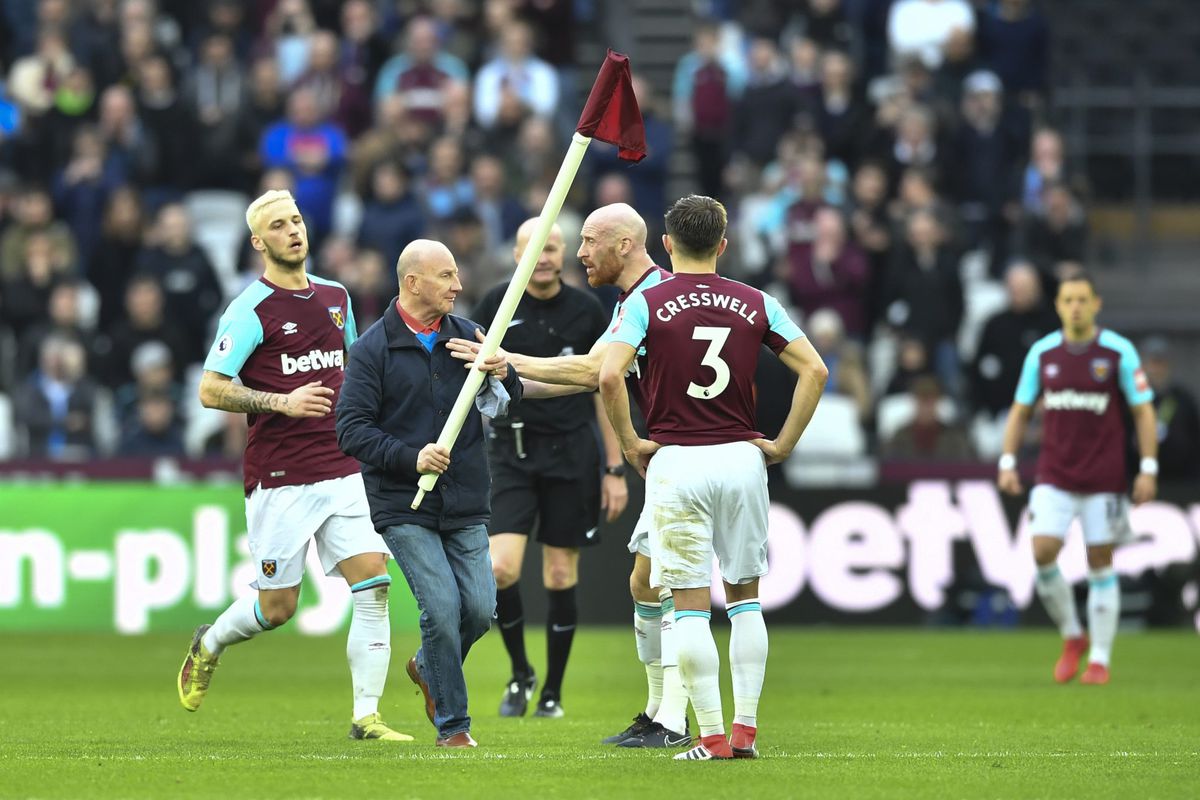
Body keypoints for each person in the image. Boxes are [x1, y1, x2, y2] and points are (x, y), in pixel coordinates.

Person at [446, 203, 688, 749]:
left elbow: (596, 376)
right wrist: (510, 373)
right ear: (517, 257)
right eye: (557, 245)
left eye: (578, 243)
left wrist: (617, 457)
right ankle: (659, 712)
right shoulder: (629, 297)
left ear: (623, 244)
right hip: (514, 452)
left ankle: (697, 722)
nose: (573, 254)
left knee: (678, 589)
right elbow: (591, 376)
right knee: (641, 583)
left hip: (608, 456)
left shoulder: (621, 302)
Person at [176, 189, 411, 744]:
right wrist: (279, 401)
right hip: (280, 477)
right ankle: (209, 643)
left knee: (375, 586)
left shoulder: (336, 296)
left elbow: (354, 369)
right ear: (259, 242)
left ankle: (367, 716)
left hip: (343, 467)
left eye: (298, 220)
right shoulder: (249, 310)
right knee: (277, 607)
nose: (294, 231)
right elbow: (211, 390)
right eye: (279, 225)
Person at [599, 195, 827, 761]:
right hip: (740, 457)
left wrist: (631, 445)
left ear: (667, 244)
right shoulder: (757, 302)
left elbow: (607, 376)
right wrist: (780, 446)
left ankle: (711, 739)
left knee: (691, 607)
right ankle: (746, 733)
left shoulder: (648, 302)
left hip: (677, 458)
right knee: (746, 599)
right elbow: (815, 370)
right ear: (724, 245)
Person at [335, 239, 523, 748]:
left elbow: (506, 404)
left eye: (456, 275)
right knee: (440, 609)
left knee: (481, 610)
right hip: (403, 502)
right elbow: (350, 430)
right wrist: (411, 457)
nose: (458, 286)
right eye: (446, 276)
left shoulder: (467, 337)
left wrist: (502, 371)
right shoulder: (372, 349)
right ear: (412, 282)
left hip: (464, 497)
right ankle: (454, 728)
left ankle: (426, 666)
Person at [471, 218, 628, 719]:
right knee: (500, 569)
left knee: (560, 573)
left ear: (565, 253)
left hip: (571, 455)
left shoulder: (588, 309)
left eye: (552, 248)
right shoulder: (495, 305)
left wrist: (614, 467)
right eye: (533, 249)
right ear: (516, 255)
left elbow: (606, 388)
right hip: (509, 454)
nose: (543, 258)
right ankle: (521, 674)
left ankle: (553, 692)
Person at [997, 272, 1158, 686]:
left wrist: (1148, 468)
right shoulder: (1043, 353)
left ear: (1096, 304)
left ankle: (1100, 660)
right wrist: (1008, 460)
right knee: (1043, 550)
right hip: (1054, 473)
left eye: (1083, 299)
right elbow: (1020, 410)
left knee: (1100, 562)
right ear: (1058, 305)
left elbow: (1143, 410)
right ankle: (1073, 636)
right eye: (1068, 300)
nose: (1075, 307)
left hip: (1104, 477)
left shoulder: (1118, 351)